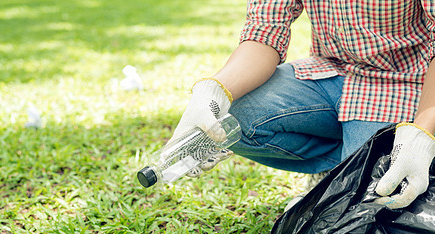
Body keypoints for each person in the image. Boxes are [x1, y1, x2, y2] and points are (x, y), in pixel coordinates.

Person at [169, 0, 435, 209]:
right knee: (230, 117)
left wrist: (422, 132)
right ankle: (335, 170)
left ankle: (393, 155)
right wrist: (214, 92)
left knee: (367, 204)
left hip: (403, 81)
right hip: (330, 72)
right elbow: (265, 31)